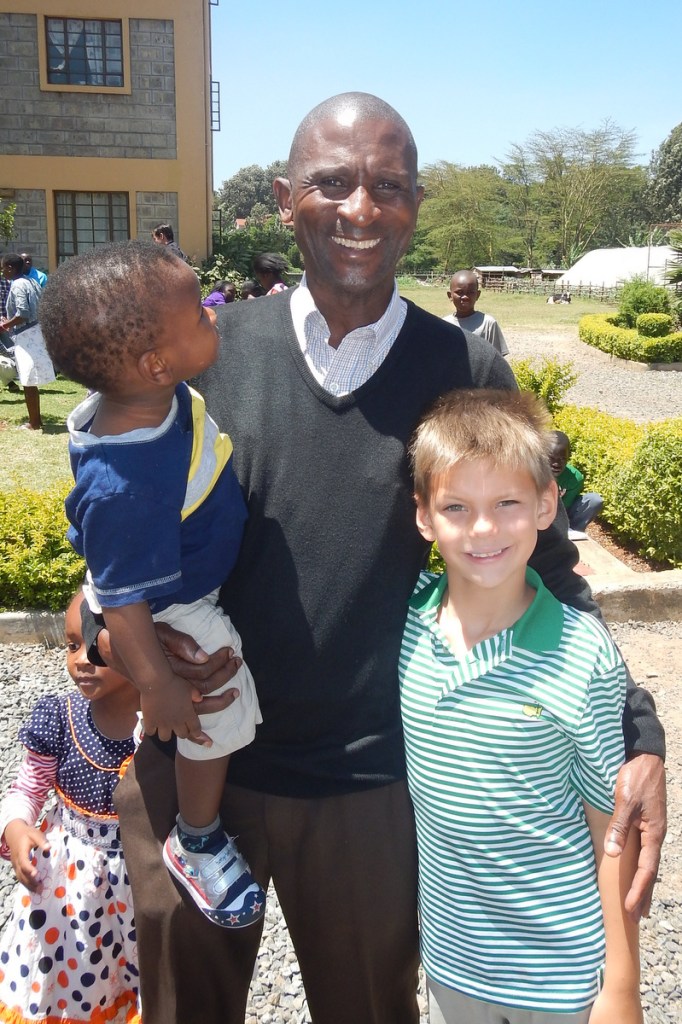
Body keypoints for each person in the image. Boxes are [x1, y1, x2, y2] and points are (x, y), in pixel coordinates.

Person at [90, 93, 664, 1024]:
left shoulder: (464, 370)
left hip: (367, 790)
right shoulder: (202, 357)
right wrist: (105, 636)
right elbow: (115, 528)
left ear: (416, 206)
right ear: (286, 200)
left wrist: (639, 736)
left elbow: (552, 567)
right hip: (196, 765)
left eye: (388, 186)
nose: (361, 207)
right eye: (333, 182)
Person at [39, 240, 265, 929]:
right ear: (155, 363)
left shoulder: (148, 399)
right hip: (174, 602)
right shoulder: (128, 484)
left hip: (164, 580)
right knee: (217, 700)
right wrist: (159, 682)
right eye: (199, 314)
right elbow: (124, 601)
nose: (214, 316)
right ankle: (197, 837)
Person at [402, 389, 642, 1024]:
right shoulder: (404, 628)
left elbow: (610, 828)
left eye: (506, 503)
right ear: (424, 517)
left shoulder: (583, 654)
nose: (482, 529)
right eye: (456, 507)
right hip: (452, 968)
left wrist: (621, 985)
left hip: (563, 978)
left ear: (546, 504)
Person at [0, 590, 141, 1024]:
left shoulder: (158, 724)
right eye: (71, 645)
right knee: (78, 980)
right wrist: (16, 827)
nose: (81, 659)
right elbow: (27, 788)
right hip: (67, 897)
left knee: (143, 976)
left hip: (140, 883)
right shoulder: (60, 718)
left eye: (96, 644)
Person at [0, 252, 55, 430]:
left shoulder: (18, 285)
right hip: (36, 332)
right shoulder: (31, 281)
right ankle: (36, 420)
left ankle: (34, 422)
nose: (2, 272)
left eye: (3, 268)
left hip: (27, 335)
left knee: (28, 379)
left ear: (10, 268)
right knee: (30, 379)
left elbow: (22, 313)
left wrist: (4, 326)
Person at [550, 429, 605, 540]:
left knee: (594, 500)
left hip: (562, 515)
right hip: (536, 515)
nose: (556, 464)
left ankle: (572, 533)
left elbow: (565, 507)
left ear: (568, 457)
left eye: (562, 459)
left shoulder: (575, 478)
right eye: (551, 458)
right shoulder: (531, 473)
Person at [442, 269, 509, 356]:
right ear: (450, 295)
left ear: (477, 295)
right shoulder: (444, 325)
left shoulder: (487, 323)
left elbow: (497, 360)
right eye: (459, 292)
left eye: (470, 292)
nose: (465, 297)